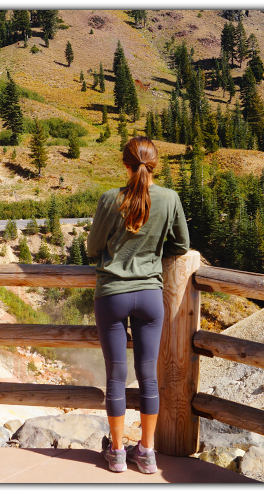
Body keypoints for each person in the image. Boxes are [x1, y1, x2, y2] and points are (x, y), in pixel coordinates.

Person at [86, 136, 189, 473]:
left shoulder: (109, 200)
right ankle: (146, 452)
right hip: (149, 296)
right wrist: (152, 253)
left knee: (116, 376)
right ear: (154, 164)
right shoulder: (170, 199)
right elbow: (182, 244)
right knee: (148, 376)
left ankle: (116, 453)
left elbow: (92, 248)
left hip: (112, 294)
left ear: (125, 163)